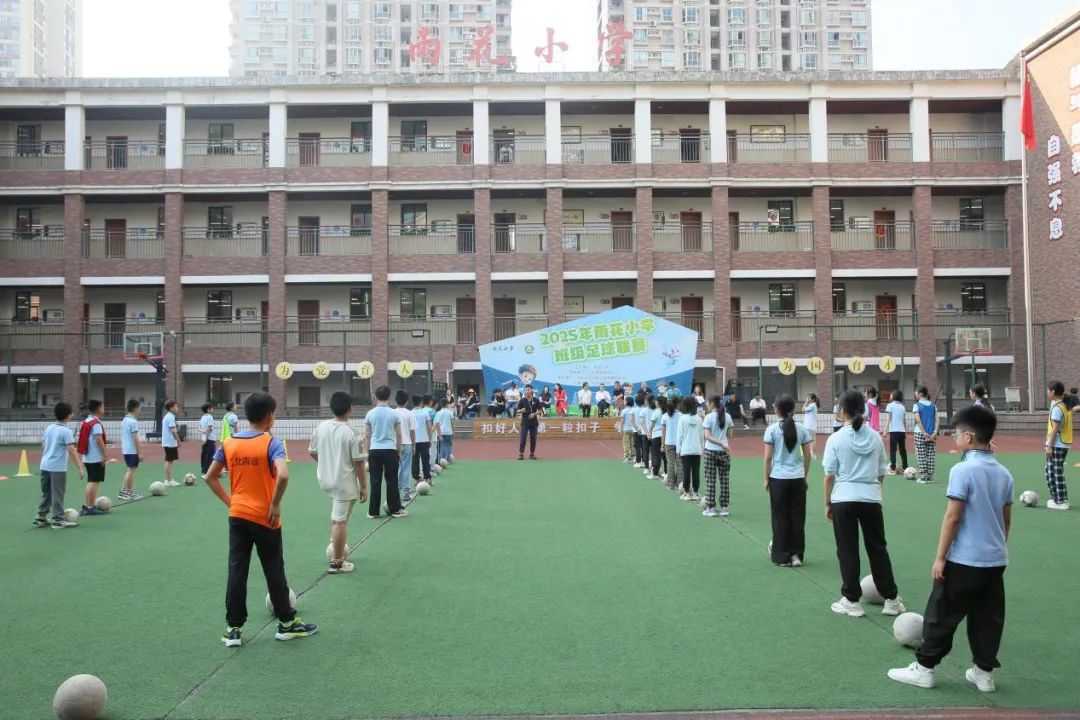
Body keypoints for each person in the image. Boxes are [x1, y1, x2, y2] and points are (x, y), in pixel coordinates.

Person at [887, 404, 1012, 693]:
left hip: (964, 559)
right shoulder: (1004, 473)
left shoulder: (962, 470)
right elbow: (1006, 520)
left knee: (941, 614)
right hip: (994, 560)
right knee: (988, 617)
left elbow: (953, 517)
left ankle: (924, 669)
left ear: (968, 437)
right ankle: (984, 673)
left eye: (956, 433)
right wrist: (996, 548)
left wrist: (940, 557)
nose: (954, 437)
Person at [204, 392, 317, 647]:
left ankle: (233, 629)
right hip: (265, 516)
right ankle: (286, 623)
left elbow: (209, 477)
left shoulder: (229, 443)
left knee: (237, 569)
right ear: (269, 416)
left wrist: (231, 502)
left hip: (238, 515)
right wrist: (275, 504)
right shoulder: (271, 443)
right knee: (273, 568)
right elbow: (283, 475)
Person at [823, 390, 905, 618]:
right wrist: (875, 493)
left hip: (843, 499)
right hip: (870, 498)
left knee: (847, 550)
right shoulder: (875, 437)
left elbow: (829, 476)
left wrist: (827, 503)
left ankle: (852, 601)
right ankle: (891, 600)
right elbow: (881, 472)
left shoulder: (836, 438)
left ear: (842, 410)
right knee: (878, 548)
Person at [309, 391, 367, 575]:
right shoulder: (353, 433)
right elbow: (359, 463)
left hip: (326, 479)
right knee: (339, 521)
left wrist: (326, 464)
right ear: (350, 409)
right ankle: (337, 562)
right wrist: (364, 486)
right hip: (343, 482)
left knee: (340, 516)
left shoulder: (321, 427)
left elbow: (312, 452)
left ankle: (335, 542)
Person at [764, 395, 813, 564]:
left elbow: (768, 458)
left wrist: (766, 479)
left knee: (780, 518)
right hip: (797, 478)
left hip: (778, 478)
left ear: (777, 409)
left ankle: (782, 556)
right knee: (797, 518)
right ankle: (796, 555)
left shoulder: (772, 430)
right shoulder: (802, 429)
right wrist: (804, 476)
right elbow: (807, 456)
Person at [35, 401, 83, 529]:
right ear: (68, 415)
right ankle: (58, 520)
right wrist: (79, 465)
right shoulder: (66, 431)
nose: (72, 415)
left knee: (46, 493)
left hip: (44, 465)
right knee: (58, 493)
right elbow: (71, 449)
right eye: (71, 413)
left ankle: (41, 516)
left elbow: (44, 445)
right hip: (57, 468)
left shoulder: (49, 428)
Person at [702, 395, 733, 517]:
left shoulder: (708, 417)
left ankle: (711, 508)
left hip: (710, 451)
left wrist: (719, 443)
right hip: (724, 452)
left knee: (710, 480)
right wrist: (723, 443)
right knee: (724, 480)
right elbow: (730, 435)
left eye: (707, 403)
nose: (706, 405)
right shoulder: (728, 416)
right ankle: (724, 508)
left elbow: (707, 436)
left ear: (712, 404)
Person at [1045, 380, 1072, 510]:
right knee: (1054, 471)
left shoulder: (1057, 408)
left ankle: (1061, 501)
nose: (1047, 392)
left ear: (1053, 392)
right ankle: (1059, 499)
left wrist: (1049, 446)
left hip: (1056, 444)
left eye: (1048, 390)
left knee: (1054, 472)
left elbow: (1056, 428)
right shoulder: (1063, 405)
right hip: (1062, 443)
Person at [77, 399, 107, 515]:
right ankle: (91, 507)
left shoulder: (87, 421)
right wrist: (104, 454)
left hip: (87, 456)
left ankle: (87, 505)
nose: (103, 409)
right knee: (94, 482)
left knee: (91, 481)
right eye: (102, 407)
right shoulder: (96, 423)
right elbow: (99, 439)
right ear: (98, 409)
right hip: (96, 457)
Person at [677, 396, 703, 501]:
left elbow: (679, 436)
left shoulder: (682, 419)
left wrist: (678, 450)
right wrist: (701, 448)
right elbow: (701, 436)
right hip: (696, 450)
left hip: (686, 450)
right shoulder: (699, 419)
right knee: (696, 472)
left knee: (686, 472)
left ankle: (687, 493)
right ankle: (696, 493)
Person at [912, 387, 939, 484]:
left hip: (920, 433)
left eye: (916, 392)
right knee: (931, 454)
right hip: (932, 433)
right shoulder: (933, 405)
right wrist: (935, 432)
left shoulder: (916, 405)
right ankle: (930, 477)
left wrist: (924, 432)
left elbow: (918, 420)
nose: (915, 394)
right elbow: (937, 419)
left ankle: (923, 477)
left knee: (921, 454)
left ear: (920, 394)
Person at [394, 390, 416, 503]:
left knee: (396, 467)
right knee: (407, 467)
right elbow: (412, 431)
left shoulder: (392, 413)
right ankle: (407, 492)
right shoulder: (409, 413)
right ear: (407, 401)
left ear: (395, 400)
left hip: (394, 444)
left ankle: (396, 490)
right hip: (407, 443)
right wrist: (414, 445)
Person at [119, 399, 143, 501]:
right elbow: (135, 438)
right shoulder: (133, 422)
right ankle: (128, 492)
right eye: (139, 408)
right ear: (135, 409)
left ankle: (124, 491)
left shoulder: (125, 420)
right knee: (131, 471)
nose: (140, 410)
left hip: (126, 449)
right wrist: (140, 453)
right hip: (132, 450)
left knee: (129, 470)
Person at [516, 385, 544, 460]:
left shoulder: (536, 400)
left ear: (532, 390)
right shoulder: (522, 401)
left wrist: (534, 414)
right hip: (524, 423)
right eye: (526, 390)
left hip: (534, 423)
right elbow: (517, 411)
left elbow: (540, 411)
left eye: (528, 390)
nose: (527, 391)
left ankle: (532, 454)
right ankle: (521, 454)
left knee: (533, 439)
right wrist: (521, 410)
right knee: (523, 438)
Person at [884, 391, 909, 475]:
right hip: (902, 431)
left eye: (891, 394)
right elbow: (904, 421)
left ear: (894, 396)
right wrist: (905, 432)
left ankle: (893, 468)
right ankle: (905, 467)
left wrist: (885, 430)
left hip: (894, 431)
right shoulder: (902, 407)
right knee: (903, 450)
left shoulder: (890, 405)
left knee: (893, 450)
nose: (890, 395)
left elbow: (888, 419)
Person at [412, 394, 434, 484]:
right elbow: (429, 427)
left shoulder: (410, 413)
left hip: (414, 440)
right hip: (424, 440)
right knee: (425, 460)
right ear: (421, 402)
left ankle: (416, 478)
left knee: (415, 460)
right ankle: (427, 478)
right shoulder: (425, 413)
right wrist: (430, 439)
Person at [660, 397, 681, 491]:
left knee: (670, 463)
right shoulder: (681, 415)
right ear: (678, 405)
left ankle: (670, 484)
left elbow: (663, 431)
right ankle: (679, 484)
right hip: (679, 443)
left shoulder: (665, 416)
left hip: (668, 442)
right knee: (680, 464)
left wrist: (662, 444)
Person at [162, 400, 182, 487]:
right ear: (171, 408)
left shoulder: (168, 416)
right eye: (176, 406)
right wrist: (178, 440)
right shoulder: (170, 417)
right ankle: (169, 480)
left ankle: (168, 479)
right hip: (170, 442)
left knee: (169, 460)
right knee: (169, 461)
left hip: (167, 442)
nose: (177, 408)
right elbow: (173, 431)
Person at [647, 395, 664, 480]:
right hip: (664, 435)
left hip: (656, 435)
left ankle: (655, 473)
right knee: (664, 456)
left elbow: (652, 425)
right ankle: (665, 473)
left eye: (656, 401)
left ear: (658, 403)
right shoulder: (666, 411)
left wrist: (649, 433)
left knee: (656, 455)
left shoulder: (656, 412)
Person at [434, 398, 455, 465]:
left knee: (442, 446)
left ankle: (441, 460)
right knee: (448, 445)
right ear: (447, 404)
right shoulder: (450, 412)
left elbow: (436, 423)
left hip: (440, 431)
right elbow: (452, 422)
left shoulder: (438, 413)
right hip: (448, 431)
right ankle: (448, 459)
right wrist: (453, 430)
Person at [199, 403, 216, 480]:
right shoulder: (210, 417)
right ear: (208, 409)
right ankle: (206, 472)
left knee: (204, 455)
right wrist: (206, 437)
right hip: (209, 439)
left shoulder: (202, 417)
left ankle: (204, 472)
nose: (213, 409)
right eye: (211, 408)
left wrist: (204, 436)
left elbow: (199, 428)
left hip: (204, 438)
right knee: (210, 456)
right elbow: (209, 429)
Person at [617, 396, 633, 463]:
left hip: (626, 429)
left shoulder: (624, 411)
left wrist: (620, 429)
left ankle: (627, 457)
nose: (624, 402)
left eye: (625, 401)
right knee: (633, 443)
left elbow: (622, 421)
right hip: (633, 430)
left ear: (626, 402)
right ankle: (633, 457)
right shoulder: (634, 410)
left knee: (626, 443)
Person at [803, 393, 820, 459]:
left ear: (813, 399)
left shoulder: (812, 405)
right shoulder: (812, 405)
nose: (807, 399)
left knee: (810, 440)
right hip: (810, 426)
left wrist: (806, 402)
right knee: (812, 440)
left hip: (809, 426)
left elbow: (803, 409)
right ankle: (812, 453)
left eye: (809, 398)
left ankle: (811, 453)